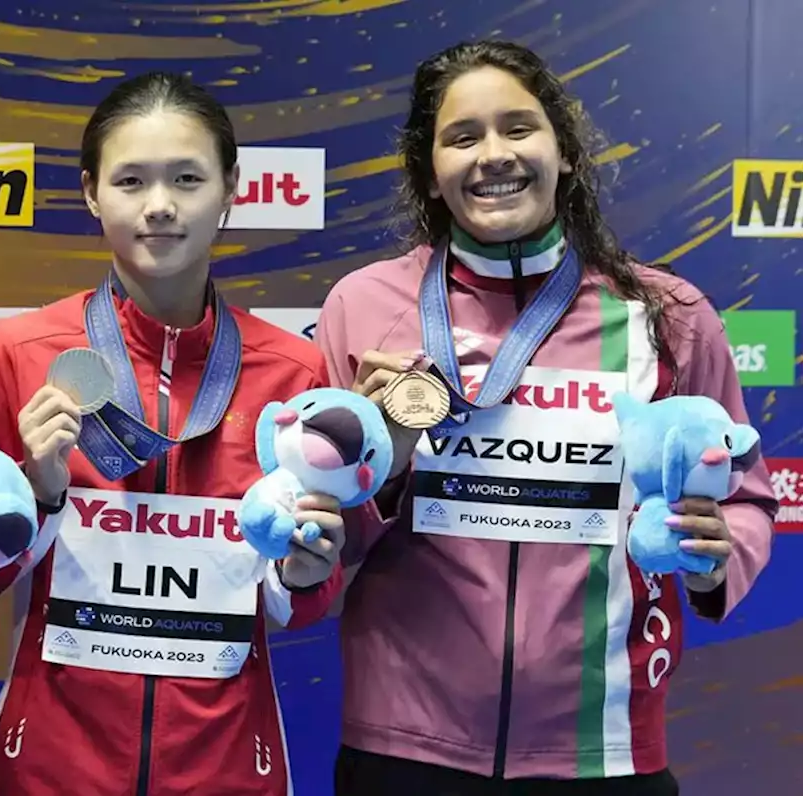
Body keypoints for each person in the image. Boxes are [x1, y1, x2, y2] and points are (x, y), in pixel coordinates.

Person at [315, 40, 777, 796]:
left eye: (518, 128)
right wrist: (383, 468)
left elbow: (747, 497)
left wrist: (721, 549)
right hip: (405, 743)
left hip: (604, 744)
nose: (493, 154)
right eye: (462, 138)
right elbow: (322, 530)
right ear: (430, 173)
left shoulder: (667, 316)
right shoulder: (364, 307)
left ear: (565, 153)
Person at [0, 72, 346, 796]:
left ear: (231, 189)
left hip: (228, 765)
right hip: (46, 767)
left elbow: (297, 603)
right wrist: (38, 492)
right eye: (131, 180)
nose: (160, 206)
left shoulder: (295, 370)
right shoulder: (16, 354)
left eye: (188, 179)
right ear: (90, 192)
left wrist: (304, 571)